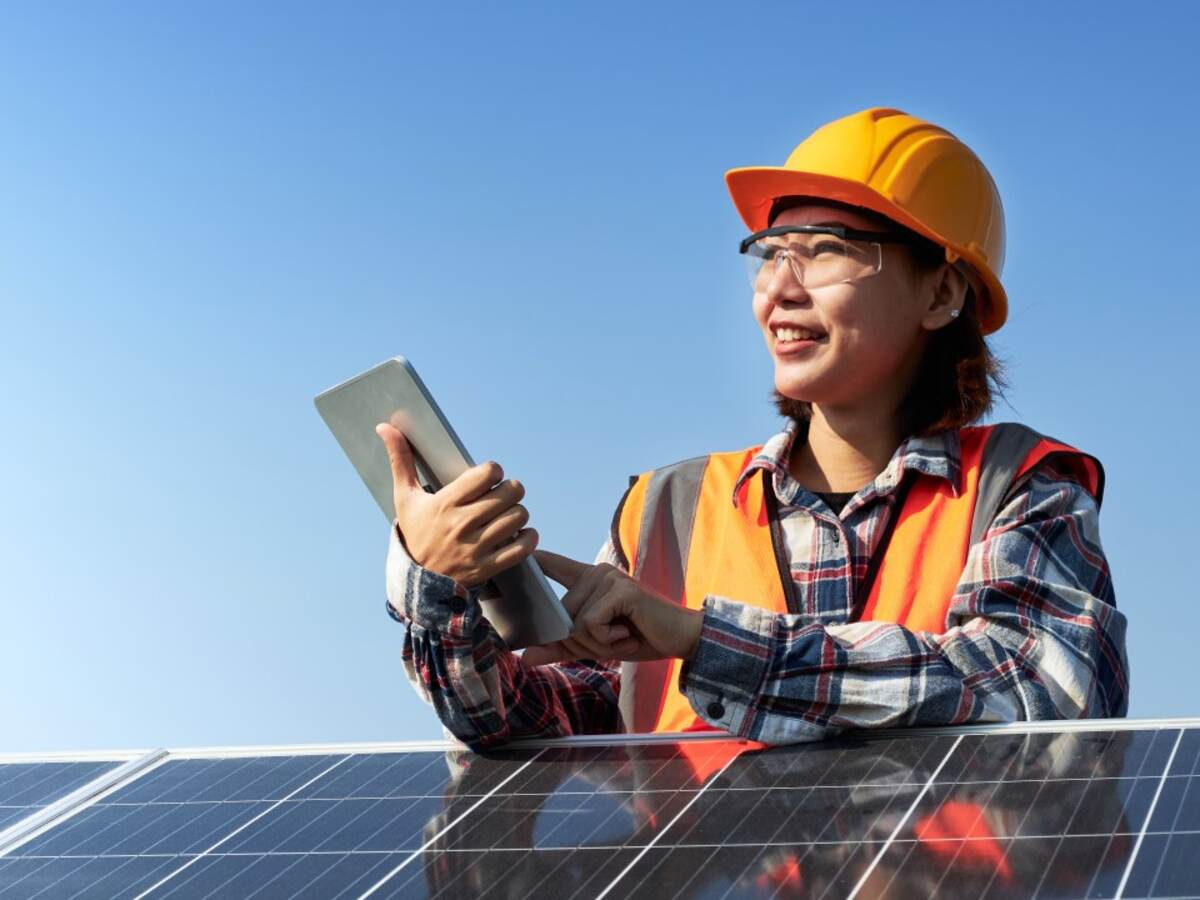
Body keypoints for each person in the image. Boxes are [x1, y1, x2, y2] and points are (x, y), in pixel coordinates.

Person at [376, 106, 1129, 750]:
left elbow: (1044, 690)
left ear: (942, 291)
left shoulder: (1022, 488)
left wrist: (703, 639)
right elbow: (549, 726)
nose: (779, 287)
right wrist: (435, 583)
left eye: (827, 249)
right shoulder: (668, 508)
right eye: (770, 254)